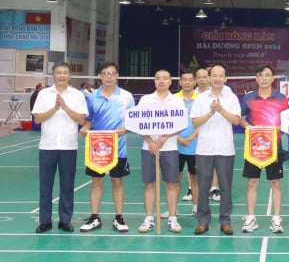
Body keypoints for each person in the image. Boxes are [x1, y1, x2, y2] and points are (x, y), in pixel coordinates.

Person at [78, 62, 135, 233]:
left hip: (118, 147)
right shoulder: (92, 96)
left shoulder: (126, 97)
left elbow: (133, 121)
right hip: (97, 148)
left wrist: (126, 129)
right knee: (96, 181)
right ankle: (94, 217)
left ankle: (119, 217)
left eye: (112, 73)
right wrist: (85, 128)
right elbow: (89, 119)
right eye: (105, 73)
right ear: (100, 76)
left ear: (117, 76)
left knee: (117, 181)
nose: (109, 76)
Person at [33, 63, 88, 233]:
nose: (62, 75)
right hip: (47, 146)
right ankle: (45, 221)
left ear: (70, 76)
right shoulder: (43, 94)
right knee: (45, 186)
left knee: (67, 185)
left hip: (68, 146)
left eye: (65, 73)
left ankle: (65, 220)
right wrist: (54, 108)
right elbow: (37, 119)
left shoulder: (77, 95)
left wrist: (64, 107)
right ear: (53, 75)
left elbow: (81, 119)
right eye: (58, 73)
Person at [191, 63, 242, 235]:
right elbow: (195, 122)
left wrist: (220, 109)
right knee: (203, 186)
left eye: (221, 76)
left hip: (225, 149)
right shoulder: (200, 98)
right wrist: (210, 113)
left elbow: (236, 121)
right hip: (204, 149)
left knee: (226, 187)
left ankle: (225, 221)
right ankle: (203, 220)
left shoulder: (231, 97)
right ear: (209, 77)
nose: (217, 78)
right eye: (214, 75)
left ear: (226, 78)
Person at [240, 65, 289, 233]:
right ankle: (251, 218)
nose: (264, 78)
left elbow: (286, 121)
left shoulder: (282, 98)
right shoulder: (248, 98)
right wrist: (249, 128)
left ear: (273, 78)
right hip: (254, 148)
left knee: (275, 182)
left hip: (274, 147)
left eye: (267, 75)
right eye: (261, 75)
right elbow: (242, 119)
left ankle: (276, 219)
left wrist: (277, 128)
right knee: (252, 182)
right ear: (256, 78)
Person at [136, 70, 186, 234]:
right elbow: (138, 123)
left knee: (171, 183)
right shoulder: (145, 100)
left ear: (170, 82)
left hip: (170, 147)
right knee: (150, 184)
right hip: (148, 148)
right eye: (158, 78)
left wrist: (164, 137)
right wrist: (150, 141)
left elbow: (181, 124)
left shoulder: (176, 101)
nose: (161, 81)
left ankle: (172, 219)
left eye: (165, 78)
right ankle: (149, 219)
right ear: (154, 81)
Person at [175, 70, 199, 216]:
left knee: (195, 178)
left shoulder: (201, 99)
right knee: (174, 179)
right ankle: (173, 209)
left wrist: (190, 138)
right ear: (180, 82)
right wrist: (179, 138)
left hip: (195, 146)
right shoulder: (173, 99)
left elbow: (203, 123)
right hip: (175, 145)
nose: (187, 82)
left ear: (194, 82)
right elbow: (168, 122)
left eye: (190, 80)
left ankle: (196, 207)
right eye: (185, 80)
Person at [195, 67, 220, 202]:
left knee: (215, 163)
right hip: (194, 137)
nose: (202, 80)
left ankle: (214, 187)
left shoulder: (219, 95)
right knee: (194, 166)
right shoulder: (194, 95)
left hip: (212, 136)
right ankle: (191, 188)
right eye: (199, 77)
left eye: (205, 77)